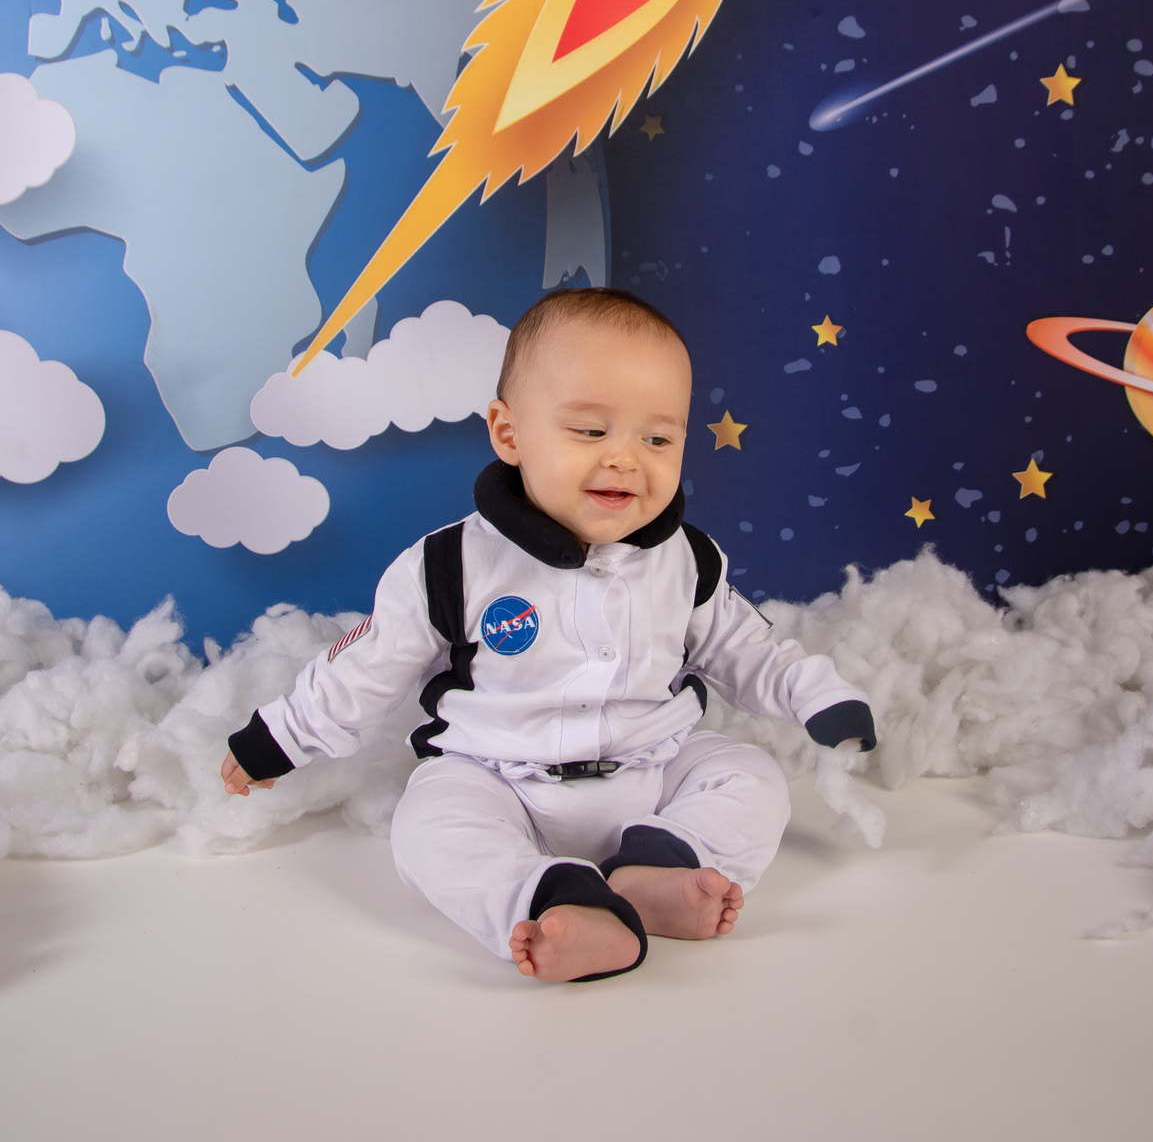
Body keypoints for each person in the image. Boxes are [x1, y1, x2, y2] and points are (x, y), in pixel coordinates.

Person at [221, 288, 876, 982]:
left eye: (657, 439)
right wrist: (280, 736)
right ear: (509, 434)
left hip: (652, 768)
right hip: (498, 778)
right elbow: (367, 665)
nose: (625, 459)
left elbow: (749, 650)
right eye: (590, 432)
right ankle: (547, 901)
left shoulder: (688, 559)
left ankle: (663, 867)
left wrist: (818, 697)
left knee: (753, 779)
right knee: (428, 827)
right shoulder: (452, 564)